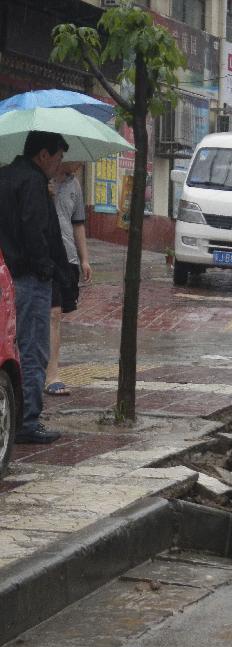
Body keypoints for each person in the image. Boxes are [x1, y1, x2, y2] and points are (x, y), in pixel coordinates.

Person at [0, 131, 70, 444]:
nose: (59, 165)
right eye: (58, 157)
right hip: (29, 279)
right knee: (32, 349)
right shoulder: (32, 183)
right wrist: (46, 269)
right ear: (43, 155)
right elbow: (34, 231)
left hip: (6, 274)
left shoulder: (5, 177)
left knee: (8, 349)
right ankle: (27, 420)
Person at [45, 161, 92, 397]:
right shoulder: (42, 179)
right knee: (51, 314)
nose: (82, 164)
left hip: (67, 258)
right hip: (43, 256)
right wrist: (45, 193)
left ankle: (49, 370)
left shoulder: (74, 184)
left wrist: (84, 258)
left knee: (56, 315)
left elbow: (78, 224)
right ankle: (50, 374)